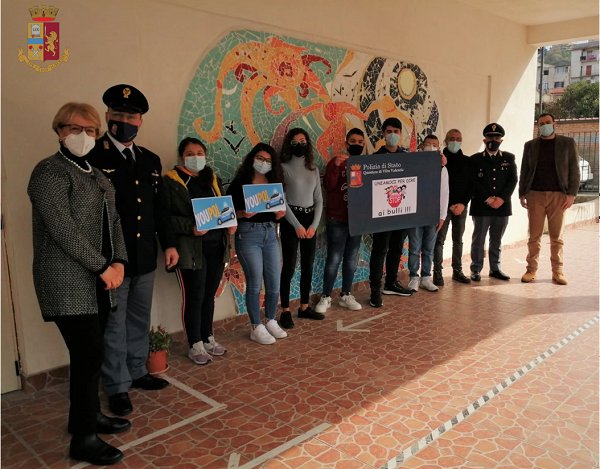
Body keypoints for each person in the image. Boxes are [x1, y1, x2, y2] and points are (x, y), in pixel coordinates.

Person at [28, 103, 129, 466]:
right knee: (88, 355)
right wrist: (104, 266)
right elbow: (62, 230)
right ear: (58, 130)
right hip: (67, 280)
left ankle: (86, 418)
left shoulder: (97, 174)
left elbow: (114, 222)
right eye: (74, 128)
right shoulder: (48, 172)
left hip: (99, 278)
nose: (82, 136)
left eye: (90, 130)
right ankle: (84, 439)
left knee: (90, 355)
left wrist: (118, 261)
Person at [87, 85, 178, 417]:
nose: (125, 121)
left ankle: (138, 371)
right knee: (113, 323)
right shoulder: (93, 156)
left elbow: (158, 210)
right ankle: (116, 386)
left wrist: (168, 244)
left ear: (140, 122)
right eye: (119, 115)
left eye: (132, 116)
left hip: (143, 255)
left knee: (139, 318)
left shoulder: (149, 160)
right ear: (108, 117)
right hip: (112, 260)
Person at [163, 137, 235, 365]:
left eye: (200, 153)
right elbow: (164, 219)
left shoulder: (212, 179)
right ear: (181, 157)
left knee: (208, 296)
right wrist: (191, 228)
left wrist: (229, 222)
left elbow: (222, 208)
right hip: (191, 250)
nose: (196, 157)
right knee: (194, 296)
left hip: (216, 247)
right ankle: (194, 344)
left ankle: (208, 337)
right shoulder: (171, 182)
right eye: (190, 153)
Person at [226, 143, 288, 344]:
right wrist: (243, 213)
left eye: (268, 160)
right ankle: (255, 325)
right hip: (248, 234)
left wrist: (280, 215)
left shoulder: (273, 182)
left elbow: (278, 210)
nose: (263, 163)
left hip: (269, 232)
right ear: (252, 159)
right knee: (254, 282)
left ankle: (270, 319)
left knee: (274, 280)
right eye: (260, 159)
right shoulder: (239, 183)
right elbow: (226, 214)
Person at [518, 113, 579, 285]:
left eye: (547, 123)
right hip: (535, 195)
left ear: (554, 124)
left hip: (558, 195)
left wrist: (572, 194)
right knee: (534, 236)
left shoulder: (567, 144)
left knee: (556, 237)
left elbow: (574, 170)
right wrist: (522, 193)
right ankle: (531, 270)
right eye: (541, 123)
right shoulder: (530, 146)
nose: (544, 125)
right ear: (538, 127)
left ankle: (557, 271)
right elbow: (524, 171)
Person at [278, 128, 324, 327]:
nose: (300, 145)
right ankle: (285, 310)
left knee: (308, 266)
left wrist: (313, 226)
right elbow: (281, 200)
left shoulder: (313, 169)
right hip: (290, 221)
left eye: (303, 141)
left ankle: (304, 307)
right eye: (295, 142)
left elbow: (319, 200)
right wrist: (296, 225)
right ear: (289, 145)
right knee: (288, 267)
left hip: (310, 220)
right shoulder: (283, 168)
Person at [315, 128, 364, 313]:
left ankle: (346, 295)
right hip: (337, 218)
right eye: (353, 141)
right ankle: (326, 296)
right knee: (334, 259)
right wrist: (335, 166)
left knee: (351, 259)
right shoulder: (336, 162)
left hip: (358, 220)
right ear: (346, 143)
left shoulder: (366, 164)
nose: (357, 145)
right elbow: (329, 185)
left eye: (360, 142)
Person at [369, 117, 414, 308]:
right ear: (383, 134)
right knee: (380, 251)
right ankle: (375, 290)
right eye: (389, 131)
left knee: (397, 248)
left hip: (401, 211)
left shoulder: (408, 158)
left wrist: (441, 163)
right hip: (381, 214)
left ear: (401, 134)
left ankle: (391, 283)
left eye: (396, 131)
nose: (393, 135)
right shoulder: (374, 159)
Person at [469, 123, 517, 281]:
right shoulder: (475, 160)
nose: (493, 140)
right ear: (484, 139)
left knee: (496, 239)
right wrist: (488, 199)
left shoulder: (508, 158)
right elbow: (473, 182)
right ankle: (476, 269)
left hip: (502, 207)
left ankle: (495, 268)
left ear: (501, 140)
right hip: (482, 206)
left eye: (496, 137)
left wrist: (501, 199)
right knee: (479, 240)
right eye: (490, 137)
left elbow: (512, 180)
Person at [407, 135, 449, 292]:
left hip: (432, 215)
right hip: (415, 214)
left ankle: (425, 277)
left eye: (434, 145)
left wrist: (442, 216)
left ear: (438, 148)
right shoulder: (413, 164)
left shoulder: (442, 168)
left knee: (428, 249)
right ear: (422, 146)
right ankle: (413, 277)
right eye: (427, 144)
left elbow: (444, 193)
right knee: (414, 248)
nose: (430, 147)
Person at [433, 129, 472, 286]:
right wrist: (447, 206)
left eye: (458, 139)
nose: (455, 142)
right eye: (451, 139)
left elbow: (471, 186)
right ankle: (437, 272)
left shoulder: (468, 162)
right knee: (439, 240)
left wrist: (463, 204)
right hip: (443, 208)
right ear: (445, 142)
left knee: (458, 240)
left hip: (461, 208)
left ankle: (457, 271)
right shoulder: (438, 160)